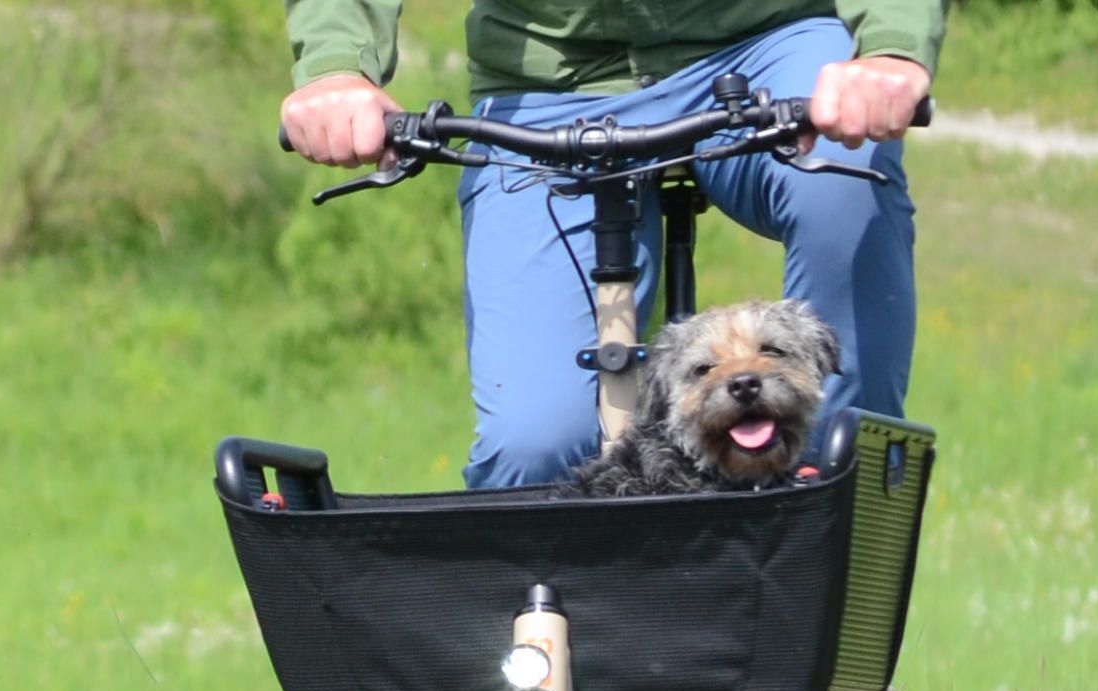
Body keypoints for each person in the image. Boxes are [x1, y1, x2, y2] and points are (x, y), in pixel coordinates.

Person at [280, 1, 944, 488]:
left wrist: (890, 47)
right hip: (548, 83)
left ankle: (837, 513)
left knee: (845, 182)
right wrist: (336, 67)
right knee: (532, 447)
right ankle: (544, 631)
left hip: (764, 44)